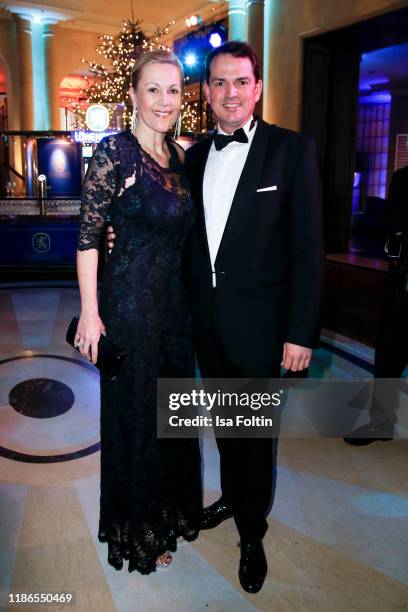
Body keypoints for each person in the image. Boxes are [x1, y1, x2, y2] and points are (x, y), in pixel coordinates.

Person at [108, 41, 323, 592]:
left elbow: (307, 250)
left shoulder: (292, 152)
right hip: (200, 324)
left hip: (260, 327)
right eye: (219, 83)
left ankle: (252, 532)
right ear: (206, 92)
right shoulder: (192, 156)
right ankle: (231, 497)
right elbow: (167, 228)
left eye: (241, 82)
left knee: (254, 437)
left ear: (257, 87)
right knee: (228, 428)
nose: (230, 94)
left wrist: (301, 332)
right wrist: (117, 232)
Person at [75, 49, 202, 574]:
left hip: (175, 313)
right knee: (137, 424)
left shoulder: (181, 157)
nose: (163, 101)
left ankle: (169, 513)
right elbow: (87, 235)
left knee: (171, 419)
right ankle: (142, 530)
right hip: (128, 308)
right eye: (153, 89)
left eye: (172, 91)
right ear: (133, 94)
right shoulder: (115, 154)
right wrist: (89, 313)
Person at [344, 165, 408, 445]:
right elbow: (389, 227)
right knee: (388, 359)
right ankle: (381, 422)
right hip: (401, 282)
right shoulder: (404, 178)